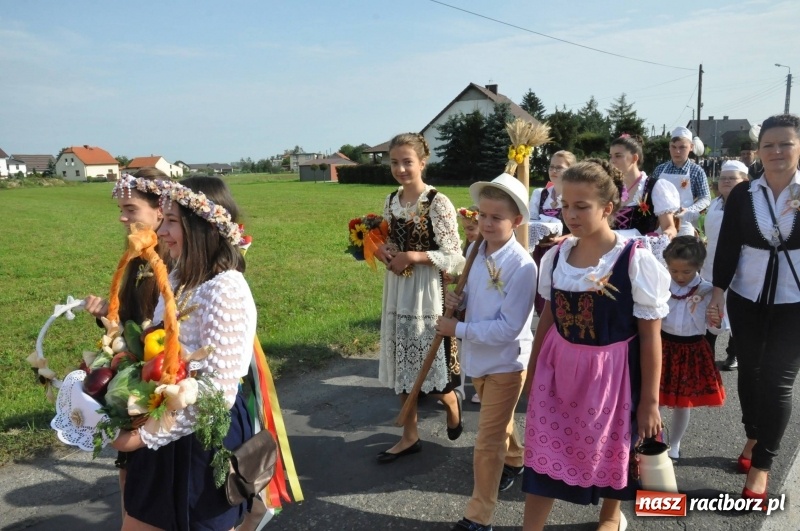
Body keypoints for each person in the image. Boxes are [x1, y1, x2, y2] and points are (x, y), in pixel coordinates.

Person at [522, 159, 670, 531]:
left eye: (581, 206)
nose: (570, 214)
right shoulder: (556, 257)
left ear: (607, 207)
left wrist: (650, 402)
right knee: (544, 452)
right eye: (564, 205)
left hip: (612, 375)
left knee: (613, 447)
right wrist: (534, 369)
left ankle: (610, 516)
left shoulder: (634, 260)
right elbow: (549, 317)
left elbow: (651, 338)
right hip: (558, 373)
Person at [112, 176, 257, 530]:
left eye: (172, 221)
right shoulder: (177, 277)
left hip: (203, 439)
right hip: (164, 421)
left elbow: (218, 393)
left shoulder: (227, 289)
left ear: (202, 226)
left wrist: (146, 436)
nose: (162, 231)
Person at [437, 174, 536, 531]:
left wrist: (456, 329)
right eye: (483, 215)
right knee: (500, 425)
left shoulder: (523, 266)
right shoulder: (476, 250)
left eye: (497, 217)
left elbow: (509, 328)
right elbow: (475, 298)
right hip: (477, 358)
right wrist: (458, 304)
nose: (487, 223)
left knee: (486, 442)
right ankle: (517, 458)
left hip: (506, 363)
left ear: (517, 222)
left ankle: (479, 517)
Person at [710, 114, 800, 505]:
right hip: (746, 297)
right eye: (769, 145)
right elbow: (729, 245)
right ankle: (752, 435)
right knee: (749, 370)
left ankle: (762, 465)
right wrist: (717, 294)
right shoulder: (744, 194)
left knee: (779, 381)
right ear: (757, 151)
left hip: (795, 301)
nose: (776, 152)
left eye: (785, 144)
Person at [83, 168, 172, 522]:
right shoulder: (136, 255)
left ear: (159, 211)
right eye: (120, 208)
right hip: (137, 375)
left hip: (161, 385)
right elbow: (130, 321)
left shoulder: (173, 258)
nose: (122, 216)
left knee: (153, 486)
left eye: (130, 208)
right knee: (131, 483)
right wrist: (107, 314)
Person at [375, 133, 465, 463]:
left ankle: (451, 401)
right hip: (398, 290)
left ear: (422, 163)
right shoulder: (390, 200)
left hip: (427, 292)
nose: (400, 168)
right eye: (394, 162)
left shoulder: (437, 202)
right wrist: (383, 250)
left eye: (407, 162)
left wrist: (413, 256)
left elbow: (455, 257)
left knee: (429, 363)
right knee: (402, 361)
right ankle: (409, 435)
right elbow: (386, 239)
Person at [660, 236, 725, 461]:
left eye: (685, 272)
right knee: (654, 398)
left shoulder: (708, 291)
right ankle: (653, 440)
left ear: (698, 267)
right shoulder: (661, 285)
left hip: (691, 351)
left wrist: (715, 320)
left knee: (682, 403)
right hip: (662, 347)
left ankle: (675, 444)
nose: (679, 277)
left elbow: (716, 330)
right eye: (673, 271)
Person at [701, 160, 749, 370]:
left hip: (740, 268)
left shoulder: (749, 205)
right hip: (710, 264)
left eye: (732, 178)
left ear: (745, 181)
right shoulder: (715, 203)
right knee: (709, 311)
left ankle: (733, 354)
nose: (726, 181)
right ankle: (706, 354)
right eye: (723, 178)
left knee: (735, 313)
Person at [529, 151, 575, 315]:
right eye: (551, 167)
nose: (554, 171)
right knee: (540, 297)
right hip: (541, 251)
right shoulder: (540, 194)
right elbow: (530, 222)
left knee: (559, 298)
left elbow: (582, 230)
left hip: (566, 252)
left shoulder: (573, 196)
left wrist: (561, 238)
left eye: (559, 168)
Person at [609, 135, 679, 239]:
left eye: (618, 156)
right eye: (611, 156)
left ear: (634, 158)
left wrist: (667, 234)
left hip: (640, 251)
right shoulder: (611, 187)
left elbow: (669, 227)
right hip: (610, 251)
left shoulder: (655, 187)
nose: (612, 161)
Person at [652, 127, 711, 237]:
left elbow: (706, 197)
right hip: (662, 224)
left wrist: (689, 210)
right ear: (669, 147)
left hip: (685, 223)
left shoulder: (696, 171)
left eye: (682, 147)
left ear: (691, 147)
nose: (677, 151)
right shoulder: (660, 170)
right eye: (673, 147)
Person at [456, 205, 482, 404]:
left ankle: (479, 387)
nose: (468, 233)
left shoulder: (481, 249)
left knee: (477, 347)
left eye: (472, 228)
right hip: (465, 303)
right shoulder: (469, 247)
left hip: (478, 304)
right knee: (460, 346)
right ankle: (458, 388)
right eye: (465, 229)